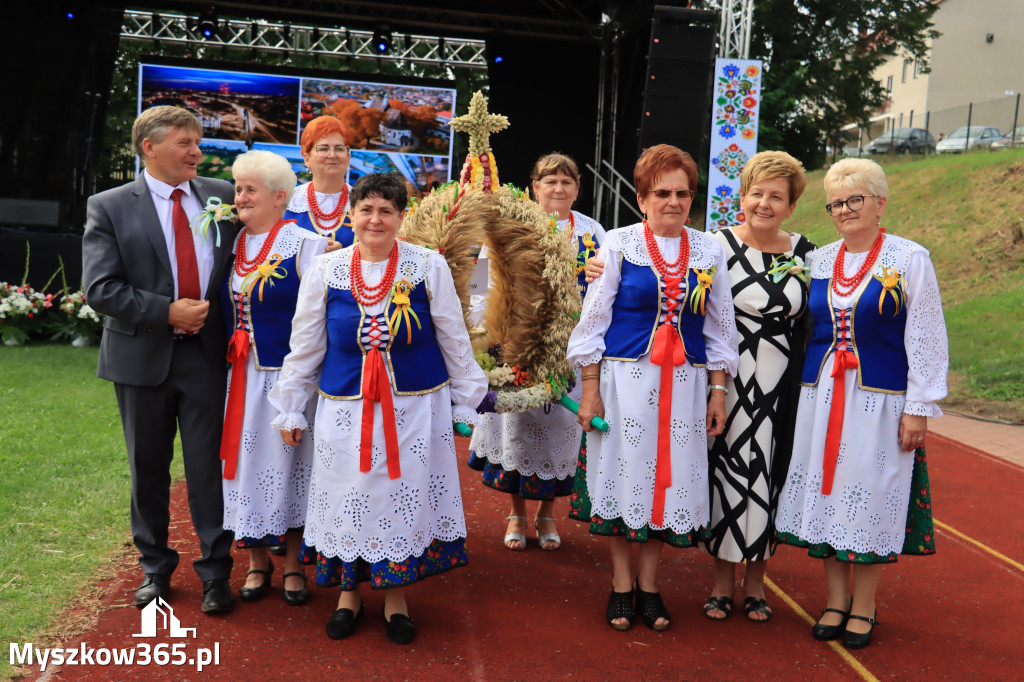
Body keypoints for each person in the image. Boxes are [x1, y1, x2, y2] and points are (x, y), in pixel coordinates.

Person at [269, 173, 488, 645]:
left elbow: (453, 335)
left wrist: (468, 399)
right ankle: (348, 595)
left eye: (386, 211)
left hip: (414, 409)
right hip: (344, 409)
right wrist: (290, 407)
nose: (375, 219)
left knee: (397, 498)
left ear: (400, 218)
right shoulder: (327, 271)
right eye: (366, 209)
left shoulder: (428, 266)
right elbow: (305, 346)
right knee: (348, 497)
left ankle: (395, 600)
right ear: (352, 216)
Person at [774, 157, 947, 649]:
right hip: (820, 397)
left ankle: (865, 605)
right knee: (826, 492)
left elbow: (927, 336)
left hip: (879, 400)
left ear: (880, 203)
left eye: (855, 199)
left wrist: (919, 407)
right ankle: (834, 599)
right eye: (836, 203)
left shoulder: (909, 257)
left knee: (869, 493)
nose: (845, 209)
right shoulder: (817, 261)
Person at [566, 144, 738, 632]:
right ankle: (621, 586)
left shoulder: (708, 249)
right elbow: (594, 323)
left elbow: (720, 329)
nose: (673, 201)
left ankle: (650, 586)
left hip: (685, 385)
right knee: (625, 478)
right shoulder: (619, 243)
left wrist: (718, 391)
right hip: (626, 382)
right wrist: (591, 390)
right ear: (641, 197)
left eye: (683, 193)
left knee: (667, 482)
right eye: (662, 192)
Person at [82, 106, 237, 613]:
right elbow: (100, 288)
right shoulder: (108, 206)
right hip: (140, 358)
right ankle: (155, 568)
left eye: (197, 141)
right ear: (149, 147)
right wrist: (165, 312)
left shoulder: (223, 197)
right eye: (184, 142)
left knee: (209, 471)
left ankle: (216, 573)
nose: (197, 150)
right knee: (147, 468)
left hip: (208, 358)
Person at [468, 152, 606, 551]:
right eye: (550, 181)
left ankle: (546, 514)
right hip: (515, 344)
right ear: (534, 187)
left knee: (559, 434)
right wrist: (485, 335)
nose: (558, 188)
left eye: (566, 182)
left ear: (577, 190)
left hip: (571, 348)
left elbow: (607, 288)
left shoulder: (595, 234)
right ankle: (516, 512)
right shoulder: (510, 225)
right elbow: (480, 279)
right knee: (516, 426)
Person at [702, 152, 815, 622]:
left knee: (771, 473)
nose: (764, 203)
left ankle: (756, 583)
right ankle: (721, 583)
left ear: (791, 206)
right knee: (727, 470)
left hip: (782, 385)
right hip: (727, 379)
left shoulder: (806, 253)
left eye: (776, 197)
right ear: (741, 197)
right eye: (757, 193)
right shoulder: (715, 245)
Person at [219, 150, 326, 605]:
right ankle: (257, 561)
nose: (239, 197)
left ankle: (296, 563)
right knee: (246, 469)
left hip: (288, 379)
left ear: (280, 197)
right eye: (238, 188)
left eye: (250, 189)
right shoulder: (229, 243)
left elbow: (320, 318)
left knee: (294, 468)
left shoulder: (309, 246)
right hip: (239, 379)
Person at [286, 115, 355, 248]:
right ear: (307, 158)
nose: (332, 155)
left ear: (347, 157)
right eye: (324, 148)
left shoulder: (362, 204)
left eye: (339, 149)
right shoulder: (287, 202)